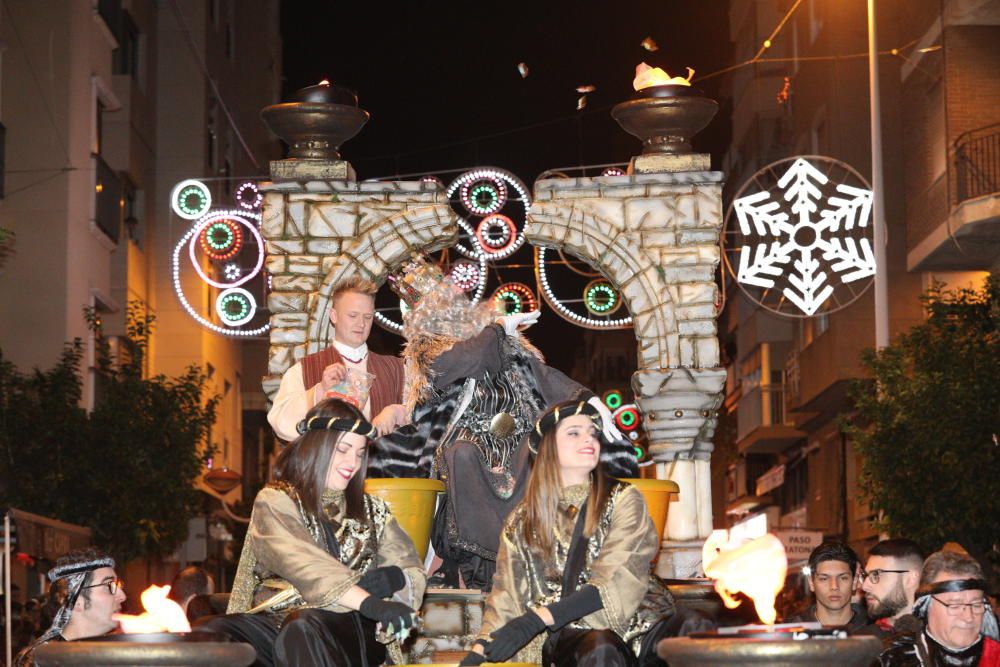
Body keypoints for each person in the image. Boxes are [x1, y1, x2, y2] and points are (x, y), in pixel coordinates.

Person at [373, 257, 637, 590]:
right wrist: (496, 328)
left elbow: (543, 376)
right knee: (462, 455)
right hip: (466, 436)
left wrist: (588, 398)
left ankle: (531, 555)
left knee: (536, 453)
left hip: (516, 435)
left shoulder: (507, 343)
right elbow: (464, 361)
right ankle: (476, 566)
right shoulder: (430, 349)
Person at [458, 400, 704, 667]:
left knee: (695, 625)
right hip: (574, 633)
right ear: (549, 446)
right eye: (574, 432)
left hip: (641, 623)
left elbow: (618, 575)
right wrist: (480, 650)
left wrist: (537, 619)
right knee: (600, 647)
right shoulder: (522, 521)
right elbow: (506, 594)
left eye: (592, 432)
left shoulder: (623, 499)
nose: (589, 438)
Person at [205, 398, 427, 667]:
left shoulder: (374, 510)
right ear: (316, 447)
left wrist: (397, 578)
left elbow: (412, 569)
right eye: (343, 449)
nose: (352, 463)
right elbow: (304, 564)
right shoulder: (276, 501)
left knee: (302, 628)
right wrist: (372, 602)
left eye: (359, 453)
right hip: (282, 620)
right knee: (212, 633)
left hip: (352, 625)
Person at [267, 276, 407, 442]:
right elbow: (279, 423)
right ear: (333, 316)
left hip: (380, 467)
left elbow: (426, 413)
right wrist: (320, 391)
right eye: (353, 315)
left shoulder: (397, 368)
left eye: (367, 317)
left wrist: (396, 412)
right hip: (327, 466)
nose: (361, 324)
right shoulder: (304, 369)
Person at [877, 549, 999, 666]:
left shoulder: (995, 656)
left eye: (976, 604)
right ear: (925, 606)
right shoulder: (896, 659)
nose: (969, 617)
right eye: (954, 605)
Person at [14, 548, 127, 667]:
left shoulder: (114, 655)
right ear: (76, 600)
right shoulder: (43, 660)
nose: (122, 596)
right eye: (109, 585)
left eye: (118, 585)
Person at [789, 541, 869, 632]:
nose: (834, 586)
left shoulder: (874, 632)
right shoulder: (792, 631)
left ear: (854, 581)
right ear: (811, 582)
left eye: (843, 578)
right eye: (824, 579)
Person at [862, 538, 925, 636]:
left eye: (876, 574)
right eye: (866, 575)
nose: (864, 586)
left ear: (910, 579)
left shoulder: (943, 635)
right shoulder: (863, 643)